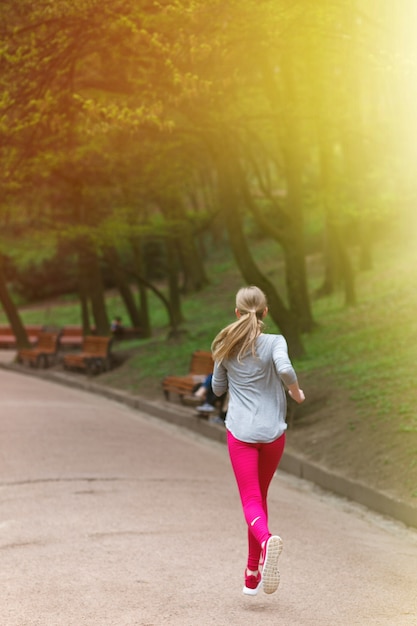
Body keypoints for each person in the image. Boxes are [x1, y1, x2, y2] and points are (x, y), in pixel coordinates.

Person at [211, 286, 305, 596]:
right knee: (259, 497)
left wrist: (227, 367)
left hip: (241, 433)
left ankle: (265, 543)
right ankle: (253, 571)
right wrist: (296, 392)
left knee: (251, 499)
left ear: (236, 312)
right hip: (273, 434)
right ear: (265, 312)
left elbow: (217, 389)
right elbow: (286, 369)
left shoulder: (226, 344)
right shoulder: (275, 342)